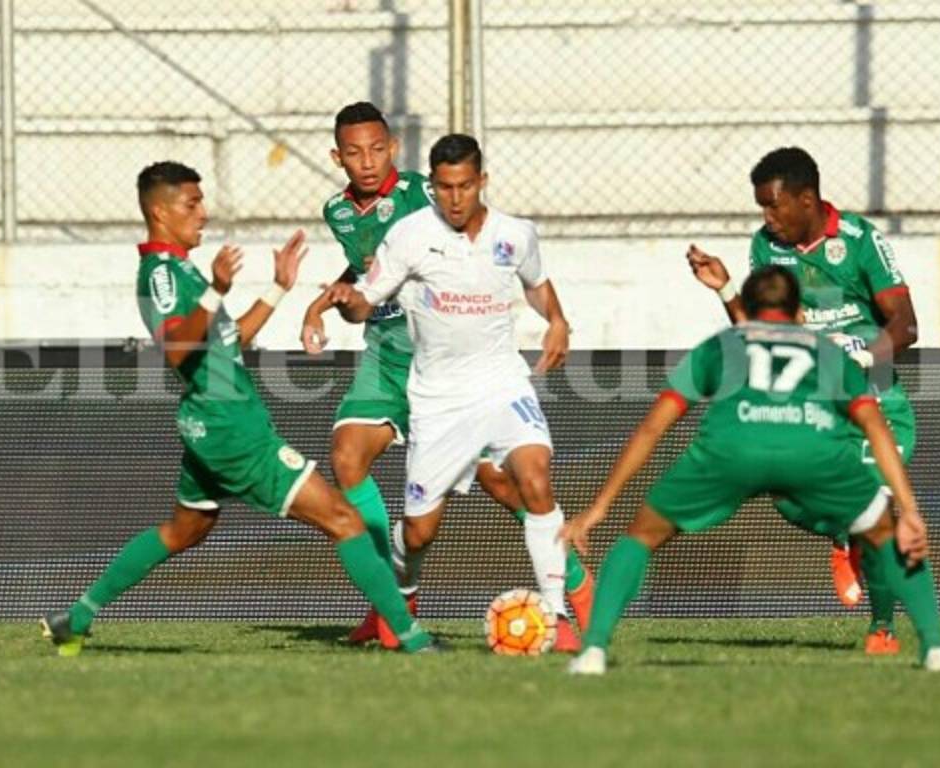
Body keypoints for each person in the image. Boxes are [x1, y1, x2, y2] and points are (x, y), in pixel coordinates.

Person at [39, 161, 437, 656]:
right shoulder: (161, 274)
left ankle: (74, 619)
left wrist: (278, 288)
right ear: (159, 211)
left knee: (184, 530)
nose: (203, 214)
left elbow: (229, 340)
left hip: (209, 424)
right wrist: (216, 290)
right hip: (233, 429)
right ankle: (413, 639)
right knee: (344, 519)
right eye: (192, 204)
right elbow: (180, 349)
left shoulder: (180, 267)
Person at [562, 266, 940, 675]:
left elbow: (654, 426)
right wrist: (908, 509)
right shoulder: (828, 354)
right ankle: (935, 649)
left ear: (747, 310)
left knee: (641, 536)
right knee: (885, 535)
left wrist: (600, 506)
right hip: (812, 451)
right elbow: (874, 426)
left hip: (732, 450)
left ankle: (593, 652)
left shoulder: (722, 345)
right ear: (800, 313)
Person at [302, 104, 593, 648]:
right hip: (392, 357)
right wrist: (326, 302)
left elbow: (509, 263)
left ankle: (572, 591)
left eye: (377, 149)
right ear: (336, 157)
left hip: (458, 365)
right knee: (350, 460)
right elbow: (371, 271)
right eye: (354, 153)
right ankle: (389, 604)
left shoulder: (422, 197)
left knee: (514, 483)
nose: (367, 163)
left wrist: (557, 319)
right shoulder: (339, 212)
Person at [686, 146, 919, 655]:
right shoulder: (767, 248)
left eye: (773, 207)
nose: (767, 220)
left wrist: (863, 354)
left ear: (807, 199)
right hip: (810, 408)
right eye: (762, 210)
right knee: (786, 496)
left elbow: (906, 325)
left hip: (874, 406)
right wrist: (726, 289)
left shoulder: (859, 241)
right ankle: (841, 534)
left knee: (880, 511)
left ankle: (882, 630)